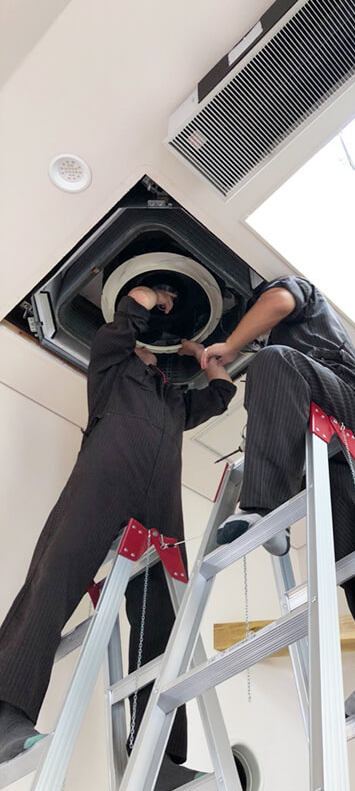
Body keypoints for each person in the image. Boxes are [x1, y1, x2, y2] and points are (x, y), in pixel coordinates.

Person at [0, 286, 236, 790]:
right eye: (143, 347)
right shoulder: (111, 369)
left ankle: (158, 756)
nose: (151, 353)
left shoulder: (174, 401)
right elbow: (132, 307)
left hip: (160, 505)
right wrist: (161, 294)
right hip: (106, 477)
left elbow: (220, 395)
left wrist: (203, 355)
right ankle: (4, 717)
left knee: (163, 620)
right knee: (55, 576)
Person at [201, 276, 355, 715]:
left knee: (272, 361)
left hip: (348, 408)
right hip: (332, 449)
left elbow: (278, 301)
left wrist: (230, 345)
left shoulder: (298, 300)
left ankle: (263, 510)